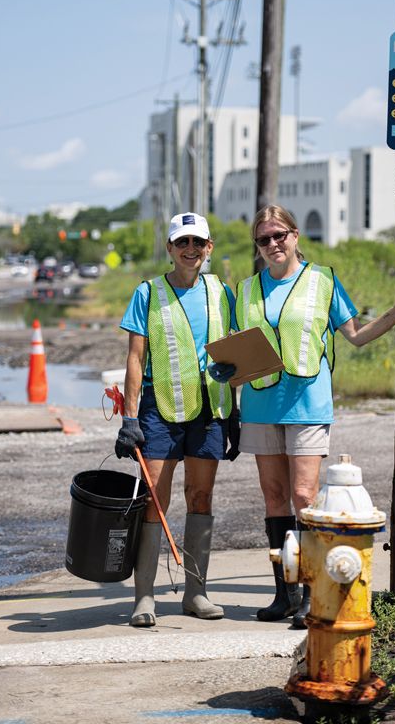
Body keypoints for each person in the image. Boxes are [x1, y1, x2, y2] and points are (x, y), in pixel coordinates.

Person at [210, 204, 395, 628]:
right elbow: (234, 347)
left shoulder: (323, 280)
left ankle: (310, 593)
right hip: (262, 404)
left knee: (305, 497)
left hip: (307, 404)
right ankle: (283, 593)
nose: (272, 245)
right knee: (272, 496)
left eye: (278, 235)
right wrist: (224, 369)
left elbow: (355, 336)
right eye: (263, 239)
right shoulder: (246, 290)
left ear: (296, 235)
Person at [115, 212, 239, 627]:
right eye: (182, 243)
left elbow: (235, 353)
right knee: (156, 501)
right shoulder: (148, 293)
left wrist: (234, 409)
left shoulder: (222, 291)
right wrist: (129, 418)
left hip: (209, 410)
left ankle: (195, 593)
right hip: (160, 411)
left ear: (209, 248)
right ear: (169, 249)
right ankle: (144, 597)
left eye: (197, 243)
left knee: (200, 499)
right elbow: (135, 358)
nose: (190, 250)